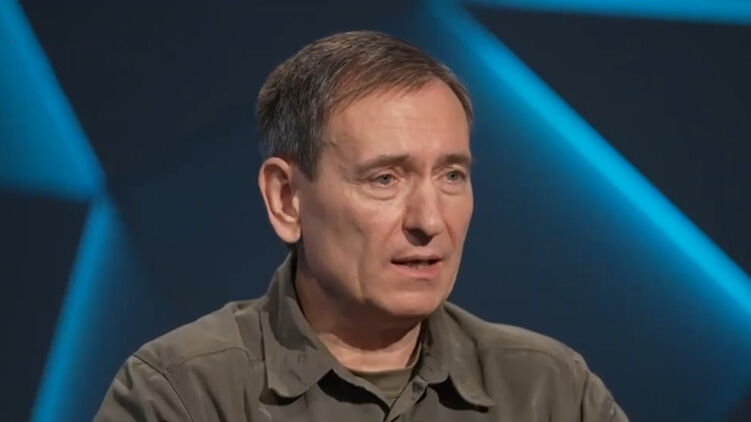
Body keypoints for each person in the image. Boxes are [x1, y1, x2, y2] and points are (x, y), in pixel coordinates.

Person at [94, 31, 628, 421]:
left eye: (452, 175)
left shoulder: (550, 391)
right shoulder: (182, 393)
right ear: (286, 199)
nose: (429, 221)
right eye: (384, 178)